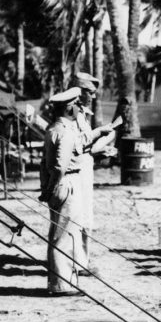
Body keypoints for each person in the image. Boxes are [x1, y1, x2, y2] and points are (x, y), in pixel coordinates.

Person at [40, 88, 111, 296]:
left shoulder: (53, 129)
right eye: (77, 105)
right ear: (69, 108)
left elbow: (45, 163)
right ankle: (62, 284)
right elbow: (60, 166)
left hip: (57, 185)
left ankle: (61, 282)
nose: (80, 108)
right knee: (65, 234)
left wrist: (46, 188)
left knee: (59, 233)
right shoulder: (66, 131)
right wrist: (53, 184)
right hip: (66, 182)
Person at [71, 72, 115, 275]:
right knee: (79, 218)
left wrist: (100, 151)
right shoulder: (73, 114)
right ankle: (78, 263)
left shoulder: (82, 113)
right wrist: (100, 134)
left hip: (85, 169)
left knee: (86, 217)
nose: (93, 97)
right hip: (77, 172)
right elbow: (77, 144)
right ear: (79, 92)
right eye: (90, 92)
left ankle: (83, 261)